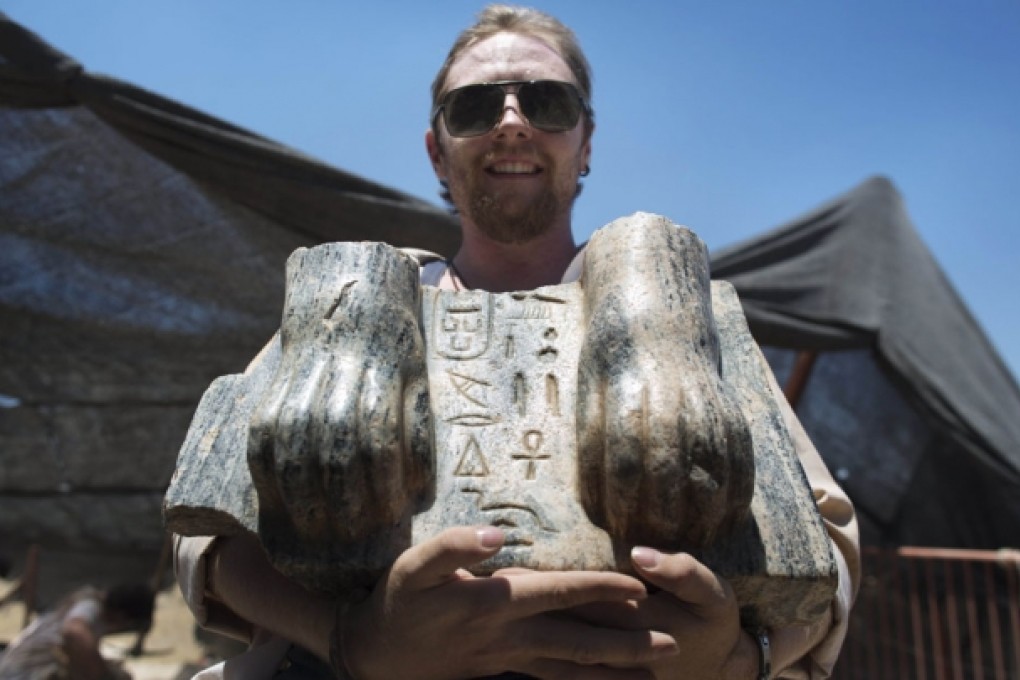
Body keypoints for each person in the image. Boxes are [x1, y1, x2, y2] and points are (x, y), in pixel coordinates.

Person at [175, 5, 860, 678]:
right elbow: (207, 540)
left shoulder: (685, 311)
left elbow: (824, 551)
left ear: (585, 139)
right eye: (473, 108)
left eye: (546, 102)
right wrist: (351, 640)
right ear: (437, 149)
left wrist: (737, 661)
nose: (511, 123)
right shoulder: (362, 300)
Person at [0, 583, 153, 680]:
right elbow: (73, 632)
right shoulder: (90, 607)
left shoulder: (93, 618)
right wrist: (102, 673)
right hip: (20, 674)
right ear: (122, 616)